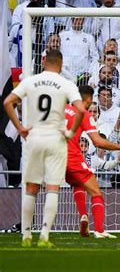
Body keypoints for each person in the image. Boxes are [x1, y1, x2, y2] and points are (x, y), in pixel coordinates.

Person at [3, 50, 86, 248]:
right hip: (56, 139)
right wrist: (70, 132)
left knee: (31, 188)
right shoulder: (66, 84)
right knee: (52, 188)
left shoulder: (31, 81)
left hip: (34, 137)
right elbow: (81, 110)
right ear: (61, 63)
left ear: (44, 62)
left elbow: (8, 102)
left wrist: (20, 127)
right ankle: (44, 235)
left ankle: (25, 236)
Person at [64, 85, 120, 238]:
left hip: (53, 158)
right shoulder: (84, 114)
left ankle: (83, 215)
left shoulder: (61, 108)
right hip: (72, 157)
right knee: (96, 193)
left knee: (75, 184)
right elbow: (98, 142)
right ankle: (99, 230)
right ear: (89, 99)